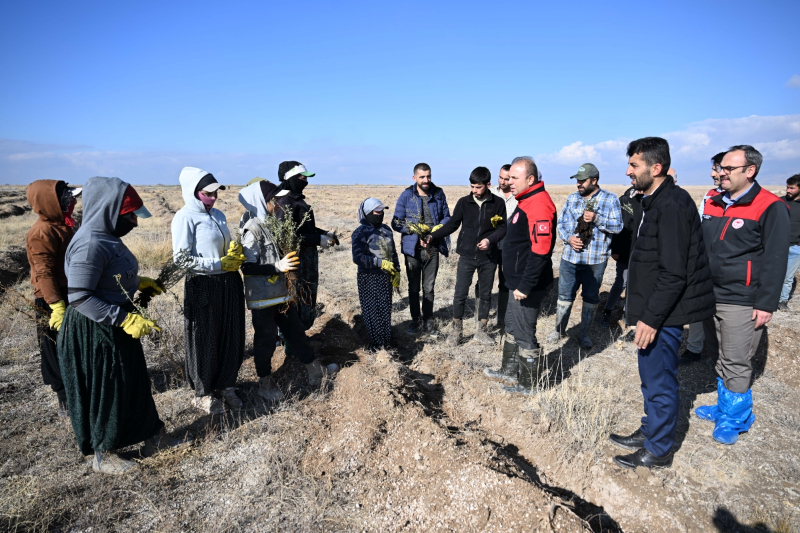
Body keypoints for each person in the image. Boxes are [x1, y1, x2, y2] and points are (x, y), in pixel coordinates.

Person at [59, 177, 186, 474]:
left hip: (115, 324)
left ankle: (153, 436)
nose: (134, 223)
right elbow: (79, 297)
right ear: (108, 210)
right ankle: (104, 453)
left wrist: (138, 285)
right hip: (97, 329)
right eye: (129, 215)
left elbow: (108, 277)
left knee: (134, 382)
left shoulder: (107, 237)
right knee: (109, 388)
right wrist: (124, 318)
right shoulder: (89, 243)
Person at [609, 137, 714, 469]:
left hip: (664, 315)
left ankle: (659, 450)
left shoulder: (670, 206)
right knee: (650, 378)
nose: (627, 172)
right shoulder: (653, 200)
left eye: (634, 166)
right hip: (652, 309)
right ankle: (650, 430)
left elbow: (673, 274)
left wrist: (650, 319)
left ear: (656, 168)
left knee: (661, 382)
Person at [695, 145, 790, 445]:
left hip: (742, 298)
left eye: (728, 168)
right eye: (720, 167)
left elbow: (777, 260)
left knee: (737, 359)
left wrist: (766, 303)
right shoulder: (713, 202)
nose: (720, 172)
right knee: (719, 353)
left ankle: (736, 418)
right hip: (710, 294)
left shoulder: (770, 206)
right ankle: (725, 406)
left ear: (750, 171)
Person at [238, 181, 329, 401]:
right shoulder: (253, 229)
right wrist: (277, 267)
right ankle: (265, 384)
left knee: (295, 331)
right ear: (262, 201)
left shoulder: (271, 224)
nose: (278, 204)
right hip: (262, 299)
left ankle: (314, 370)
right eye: (274, 201)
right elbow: (247, 266)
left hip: (281, 293)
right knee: (266, 340)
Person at [172, 167, 246, 414]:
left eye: (216, 194)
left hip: (228, 283)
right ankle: (202, 393)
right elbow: (181, 258)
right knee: (203, 337)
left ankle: (226, 386)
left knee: (230, 334)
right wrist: (217, 263)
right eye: (208, 194)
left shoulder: (219, 214)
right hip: (203, 284)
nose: (213, 198)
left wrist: (234, 256)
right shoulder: (185, 218)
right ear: (194, 192)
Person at [486, 156, 556, 396]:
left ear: (530, 179)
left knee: (525, 333)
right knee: (512, 326)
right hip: (515, 281)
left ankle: (527, 385)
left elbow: (541, 251)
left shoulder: (538, 204)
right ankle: (508, 371)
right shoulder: (525, 200)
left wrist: (525, 284)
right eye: (509, 177)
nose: (509, 182)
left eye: (515, 178)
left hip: (527, 285)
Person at [426, 167, 506, 346]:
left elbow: (502, 228)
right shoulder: (464, 202)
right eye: (472, 187)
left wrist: (489, 240)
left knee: (485, 294)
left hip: (488, 257)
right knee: (460, 293)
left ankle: (482, 331)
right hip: (467, 256)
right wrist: (433, 235)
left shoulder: (498, 203)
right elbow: (452, 224)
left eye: (478, 187)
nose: (474, 191)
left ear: (488, 185)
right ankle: (457, 331)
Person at [549, 163, 622, 349]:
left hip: (595, 261)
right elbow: (562, 224)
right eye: (577, 181)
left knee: (590, 298)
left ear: (594, 180)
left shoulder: (610, 199)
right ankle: (558, 330)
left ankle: (584, 335)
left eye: (582, 181)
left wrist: (597, 219)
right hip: (570, 259)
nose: (578, 184)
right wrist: (569, 238)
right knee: (564, 296)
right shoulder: (573, 198)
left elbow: (618, 227)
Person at [25, 180, 80, 416]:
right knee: (56, 350)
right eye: (67, 199)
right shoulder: (41, 232)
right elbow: (44, 273)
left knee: (74, 347)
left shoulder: (64, 225)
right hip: (53, 300)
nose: (73, 202)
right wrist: (57, 307)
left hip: (72, 295)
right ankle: (65, 400)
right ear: (50, 202)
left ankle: (80, 390)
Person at [275, 161, 337, 337]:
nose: (306, 182)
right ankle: (293, 347)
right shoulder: (285, 202)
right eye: (302, 177)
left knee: (307, 298)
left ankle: (298, 340)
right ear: (291, 178)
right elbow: (285, 236)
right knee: (297, 301)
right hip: (297, 264)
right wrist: (318, 239)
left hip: (307, 262)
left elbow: (303, 228)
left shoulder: (297, 200)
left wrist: (325, 233)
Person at [391, 163, 451, 334]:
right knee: (414, 287)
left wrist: (434, 233)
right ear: (414, 178)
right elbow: (396, 222)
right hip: (413, 250)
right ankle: (415, 321)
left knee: (429, 287)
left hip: (433, 248)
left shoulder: (438, 194)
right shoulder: (406, 196)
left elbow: (447, 218)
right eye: (422, 177)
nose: (426, 180)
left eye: (428, 176)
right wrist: (415, 232)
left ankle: (428, 321)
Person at [679, 152, 726, 365]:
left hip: (732, 275)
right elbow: (697, 225)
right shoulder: (709, 196)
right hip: (704, 266)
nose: (712, 174)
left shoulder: (756, 201)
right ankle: (695, 348)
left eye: (716, 169)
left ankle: (724, 358)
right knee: (697, 309)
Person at [352, 197, 401, 351]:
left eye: (382, 211)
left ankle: (386, 342)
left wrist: (397, 271)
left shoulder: (386, 230)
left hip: (385, 277)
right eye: (376, 211)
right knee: (372, 311)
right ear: (368, 213)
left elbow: (393, 253)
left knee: (385, 310)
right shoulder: (360, 232)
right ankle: (376, 345)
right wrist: (379, 263)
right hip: (369, 277)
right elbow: (358, 258)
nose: (380, 214)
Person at [601, 185, 641, 327]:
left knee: (636, 285)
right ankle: (607, 311)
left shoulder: (651, 201)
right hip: (625, 251)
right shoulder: (624, 200)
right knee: (621, 283)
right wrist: (615, 249)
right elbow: (617, 227)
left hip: (642, 252)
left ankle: (628, 314)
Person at [489, 163, 516, 331]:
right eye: (501, 178)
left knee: (505, 284)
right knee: (485, 282)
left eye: (507, 179)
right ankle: (482, 319)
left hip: (510, 247)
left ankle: (502, 319)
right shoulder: (490, 193)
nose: (503, 182)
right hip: (491, 244)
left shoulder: (518, 195)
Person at [778, 174, 800, 311]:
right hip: (777, 246)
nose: (788, 190)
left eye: (792, 188)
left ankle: (782, 301)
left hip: (795, 248)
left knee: (788, 277)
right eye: (787, 187)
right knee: (771, 273)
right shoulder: (779, 202)